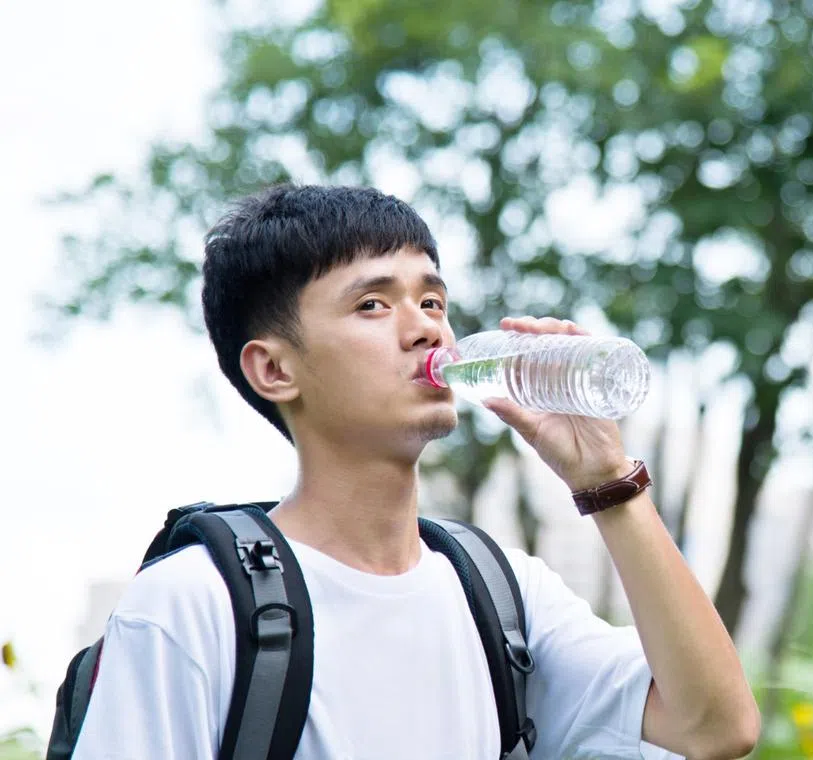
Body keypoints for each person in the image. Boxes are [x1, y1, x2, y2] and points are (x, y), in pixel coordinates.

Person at [71, 185, 759, 759]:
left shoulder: (502, 595)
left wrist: (608, 483)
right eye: (373, 304)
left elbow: (716, 728)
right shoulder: (190, 605)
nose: (427, 329)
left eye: (432, 302)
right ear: (274, 370)